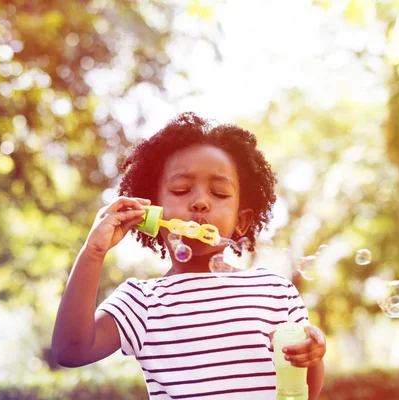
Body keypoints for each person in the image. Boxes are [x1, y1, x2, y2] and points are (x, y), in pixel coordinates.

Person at [52, 112, 326, 399]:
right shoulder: (141, 302)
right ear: (151, 214)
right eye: (181, 190)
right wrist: (93, 252)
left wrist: (313, 356)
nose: (200, 202)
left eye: (219, 193)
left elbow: (307, 390)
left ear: (241, 221)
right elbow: (70, 351)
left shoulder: (275, 291)